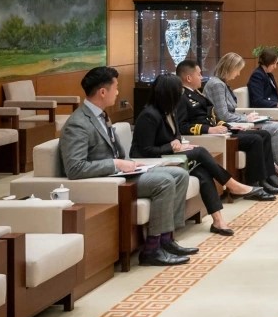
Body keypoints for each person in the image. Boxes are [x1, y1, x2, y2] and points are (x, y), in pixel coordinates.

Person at [61, 66, 195, 266]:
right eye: (115, 87)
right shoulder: (78, 123)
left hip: (122, 173)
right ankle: (152, 250)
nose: (117, 92)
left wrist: (130, 164)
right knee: (165, 181)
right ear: (103, 92)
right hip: (106, 181)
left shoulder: (101, 115)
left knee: (180, 174)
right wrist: (116, 164)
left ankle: (167, 239)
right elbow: (75, 168)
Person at [131, 75, 274, 237]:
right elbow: (144, 151)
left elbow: (176, 135)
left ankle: (218, 221)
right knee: (199, 152)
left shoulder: (168, 112)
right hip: (151, 162)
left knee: (203, 172)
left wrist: (178, 144)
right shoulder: (149, 115)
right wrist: (170, 147)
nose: (181, 94)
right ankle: (232, 184)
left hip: (169, 156)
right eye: (178, 91)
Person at [176, 59, 278, 195]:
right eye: (199, 74)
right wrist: (209, 129)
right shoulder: (181, 97)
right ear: (189, 78)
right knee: (255, 139)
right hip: (209, 135)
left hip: (219, 131)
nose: (201, 77)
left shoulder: (196, 94)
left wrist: (228, 126)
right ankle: (255, 182)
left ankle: (267, 177)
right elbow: (182, 126)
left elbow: (213, 116)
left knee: (263, 134)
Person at [210, 52, 278, 168]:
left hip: (239, 119)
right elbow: (224, 115)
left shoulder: (223, 84)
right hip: (235, 122)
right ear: (230, 68)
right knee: (277, 127)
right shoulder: (219, 85)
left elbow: (229, 111)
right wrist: (246, 118)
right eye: (237, 70)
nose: (238, 74)